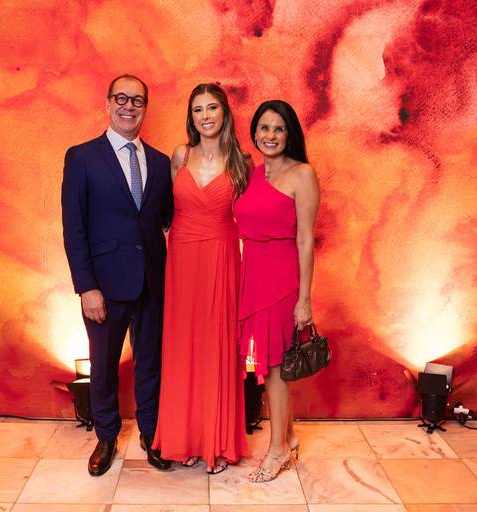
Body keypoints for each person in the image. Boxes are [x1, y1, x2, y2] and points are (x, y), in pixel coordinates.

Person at [61, 74, 173, 476]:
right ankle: (106, 437)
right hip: (104, 286)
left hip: (153, 282)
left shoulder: (160, 162)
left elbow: (164, 220)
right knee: (104, 365)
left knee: (151, 363)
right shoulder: (82, 157)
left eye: (137, 100)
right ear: (108, 103)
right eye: (121, 98)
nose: (129, 106)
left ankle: (151, 433)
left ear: (145, 108)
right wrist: (86, 287)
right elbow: (74, 228)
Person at [153, 83, 250, 474]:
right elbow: (163, 209)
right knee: (183, 347)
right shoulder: (180, 155)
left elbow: (255, 216)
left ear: (224, 113)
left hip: (222, 258)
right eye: (198, 110)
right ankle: (185, 439)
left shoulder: (242, 162)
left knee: (216, 346)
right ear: (190, 117)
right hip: (181, 259)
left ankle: (216, 442)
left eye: (212, 108)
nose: (205, 116)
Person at [235, 100, 320, 483]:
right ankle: (289, 435)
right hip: (251, 274)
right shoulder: (251, 173)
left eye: (279, 128)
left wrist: (304, 298)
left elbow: (305, 239)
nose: (270, 135)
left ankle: (277, 451)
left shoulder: (302, 174)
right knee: (267, 364)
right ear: (255, 132)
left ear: (290, 134)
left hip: (282, 281)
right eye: (264, 128)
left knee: (273, 367)